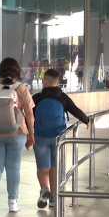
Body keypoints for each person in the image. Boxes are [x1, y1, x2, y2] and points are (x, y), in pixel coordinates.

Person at [0, 57, 35, 212]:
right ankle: (13, 202)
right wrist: (31, 133)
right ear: (17, 72)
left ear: (0, 71)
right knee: (13, 167)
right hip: (17, 133)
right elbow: (30, 113)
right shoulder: (21, 88)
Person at [32, 68, 89, 208]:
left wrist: (28, 132)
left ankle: (44, 189)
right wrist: (87, 120)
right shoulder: (62, 97)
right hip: (59, 136)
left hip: (41, 136)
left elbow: (29, 114)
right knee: (54, 167)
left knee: (42, 167)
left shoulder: (37, 98)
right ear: (57, 82)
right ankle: (53, 198)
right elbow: (75, 110)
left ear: (45, 81)